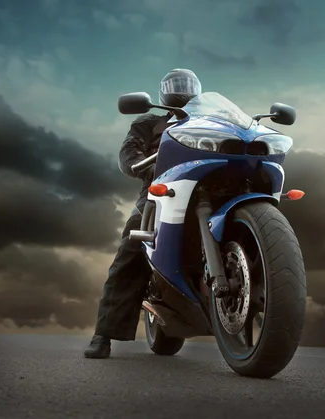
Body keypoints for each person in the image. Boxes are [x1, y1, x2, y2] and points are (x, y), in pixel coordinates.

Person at [84, 68, 202, 358]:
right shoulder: (149, 122)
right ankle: (104, 335)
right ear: (164, 91)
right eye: (176, 84)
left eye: (187, 84)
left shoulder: (207, 121)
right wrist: (144, 165)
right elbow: (129, 153)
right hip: (160, 190)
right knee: (133, 246)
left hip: (210, 187)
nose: (182, 89)